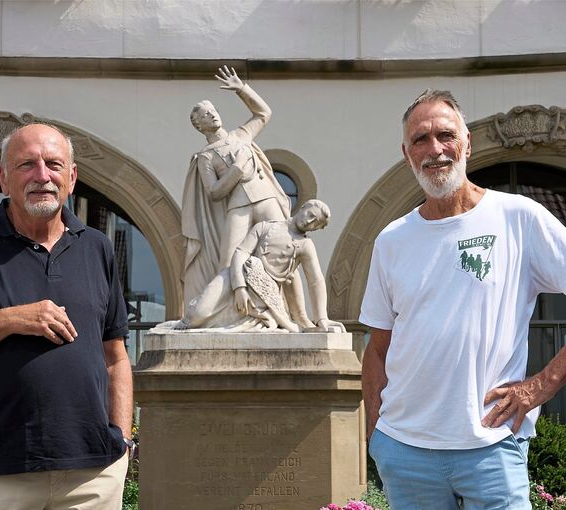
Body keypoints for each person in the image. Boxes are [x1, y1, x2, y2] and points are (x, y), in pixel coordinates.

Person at [360, 89, 566, 509]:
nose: (434, 149)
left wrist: (538, 387)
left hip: (491, 446)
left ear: (467, 142)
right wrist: (377, 437)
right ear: (406, 153)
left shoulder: (518, 218)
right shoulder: (392, 241)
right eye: (420, 139)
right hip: (405, 450)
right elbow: (376, 349)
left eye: (445, 135)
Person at [0, 123, 133, 509]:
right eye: (26, 165)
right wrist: (10, 319)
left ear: (71, 178)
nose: (42, 176)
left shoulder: (97, 247)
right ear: (4, 178)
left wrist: (121, 439)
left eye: (54, 164)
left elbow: (115, 356)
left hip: (93, 476)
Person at [182, 66, 292, 305]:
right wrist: (236, 172)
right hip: (239, 204)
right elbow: (214, 192)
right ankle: (219, 310)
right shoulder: (205, 157)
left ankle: (295, 314)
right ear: (199, 126)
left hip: (265, 198)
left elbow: (263, 113)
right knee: (229, 260)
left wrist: (242, 89)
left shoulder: (240, 135)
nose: (211, 115)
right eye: (204, 115)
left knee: (282, 250)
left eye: (212, 111)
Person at [178, 199, 344, 333]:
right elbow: (240, 255)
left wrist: (322, 318)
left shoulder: (305, 245)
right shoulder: (265, 227)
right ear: (303, 208)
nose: (309, 221)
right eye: (310, 215)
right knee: (196, 315)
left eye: (315, 223)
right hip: (235, 278)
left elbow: (316, 281)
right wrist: (239, 289)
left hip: (262, 295)